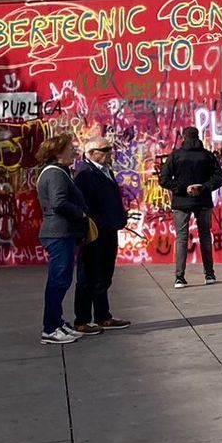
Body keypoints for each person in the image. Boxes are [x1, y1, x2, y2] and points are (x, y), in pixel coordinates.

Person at [72, 130, 131, 333]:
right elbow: (86, 205)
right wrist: (103, 222)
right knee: (88, 275)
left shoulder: (106, 170)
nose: (109, 153)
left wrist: (120, 217)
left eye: (110, 149)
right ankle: (82, 319)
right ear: (91, 152)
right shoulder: (85, 174)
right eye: (105, 150)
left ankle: (103, 315)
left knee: (104, 274)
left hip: (109, 230)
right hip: (95, 232)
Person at [34, 134, 90, 345]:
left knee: (61, 279)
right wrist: (81, 213)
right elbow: (58, 203)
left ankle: (57, 322)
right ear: (58, 152)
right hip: (58, 233)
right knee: (58, 280)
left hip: (61, 233)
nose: (73, 153)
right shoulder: (55, 174)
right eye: (69, 149)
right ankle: (50, 328)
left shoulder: (57, 172)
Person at [160, 125, 222, 288]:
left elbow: (164, 179)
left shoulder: (176, 156)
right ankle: (209, 274)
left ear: (184, 137)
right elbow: (219, 178)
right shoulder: (207, 156)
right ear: (198, 137)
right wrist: (203, 187)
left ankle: (179, 277)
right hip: (203, 201)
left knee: (181, 238)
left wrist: (182, 189)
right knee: (205, 237)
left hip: (181, 202)